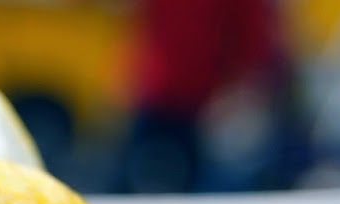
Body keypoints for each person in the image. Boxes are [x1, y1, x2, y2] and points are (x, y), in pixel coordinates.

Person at [117, 0, 284, 193]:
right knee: (141, 189)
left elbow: (252, 42)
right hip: (158, 100)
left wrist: (236, 93)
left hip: (210, 108)